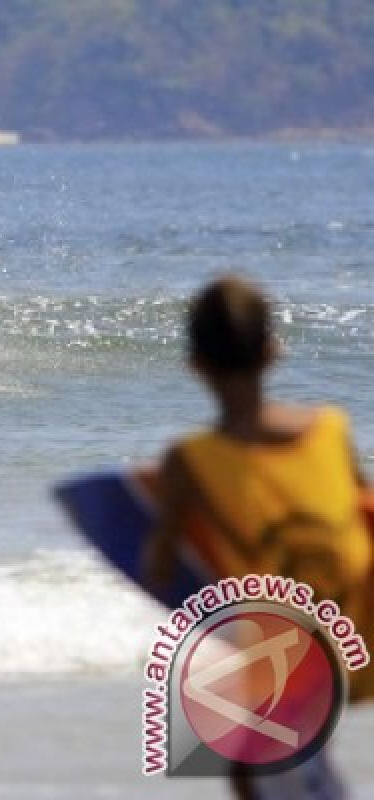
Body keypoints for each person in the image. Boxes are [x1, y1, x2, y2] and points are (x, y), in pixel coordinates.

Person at [146, 275, 370, 799]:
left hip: (272, 648)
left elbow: (160, 568)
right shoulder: (331, 431)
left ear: (195, 365)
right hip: (336, 626)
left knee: (260, 773)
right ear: (273, 350)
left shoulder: (192, 459)